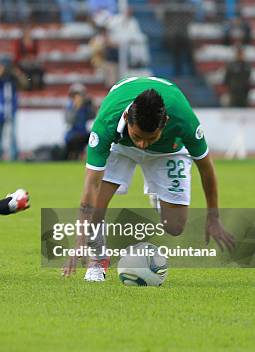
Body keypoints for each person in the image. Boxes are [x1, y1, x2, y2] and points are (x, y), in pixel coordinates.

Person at [62, 76, 235, 282]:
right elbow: (92, 184)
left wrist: (213, 217)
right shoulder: (106, 123)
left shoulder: (184, 119)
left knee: (175, 227)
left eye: (150, 138)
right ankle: (98, 261)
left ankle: (157, 195)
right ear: (127, 118)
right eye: (138, 137)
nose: (143, 144)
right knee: (97, 209)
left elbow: (206, 169)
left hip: (167, 151)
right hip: (121, 146)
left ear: (166, 123)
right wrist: (80, 238)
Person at [0, 59, 27, 161]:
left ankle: (13, 155)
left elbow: (26, 83)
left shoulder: (13, 78)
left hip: (11, 108)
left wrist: (17, 74)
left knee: (12, 134)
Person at [63, 83, 95, 160]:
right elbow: (69, 120)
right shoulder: (69, 106)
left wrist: (90, 106)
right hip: (72, 135)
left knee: (95, 137)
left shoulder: (85, 106)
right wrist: (76, 108)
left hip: (83, 133)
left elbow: (92, 116)